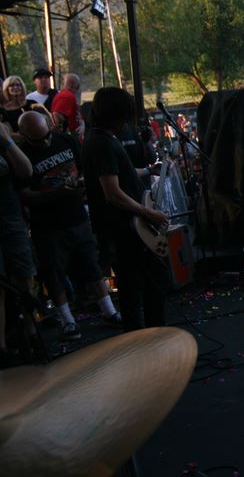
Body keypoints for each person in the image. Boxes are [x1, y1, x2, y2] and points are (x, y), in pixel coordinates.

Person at [17, 111, 121, 341]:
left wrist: (80, 182)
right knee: (54, 272)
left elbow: (82, 168)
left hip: (76, 215)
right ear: (24, 135)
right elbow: (24, 194)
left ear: (49, 126)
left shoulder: (65, 140)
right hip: (47, 224)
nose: (45, 142)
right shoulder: (23, 155)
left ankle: (108, 310)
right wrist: (53, 193)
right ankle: (68, 320)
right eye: (38, 140)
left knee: (92, 264)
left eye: (47, 136)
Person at [81, 87, 168, 332]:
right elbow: (113, 193)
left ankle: (147, 337)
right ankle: (149, 337)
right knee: (141, 286)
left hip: (127, 227)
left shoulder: (102, 139)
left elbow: (120, 175)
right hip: (124, 229)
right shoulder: (102, 143)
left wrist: (147, 170)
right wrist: (149, 213)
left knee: (139, 286)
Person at [0, 117, 37, 367]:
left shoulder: (3, 136)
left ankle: (31, 334)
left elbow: (26, 171)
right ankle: (2, 348)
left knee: (24, 277)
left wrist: (6, 140)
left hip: (11, 217)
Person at [50, 73, 85, 138]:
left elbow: (77, 115)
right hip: (70, 139)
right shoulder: (66, 96)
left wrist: (82, 125)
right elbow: (56, 115)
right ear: (77, 86)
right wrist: (68, 135)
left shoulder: (69, 95)